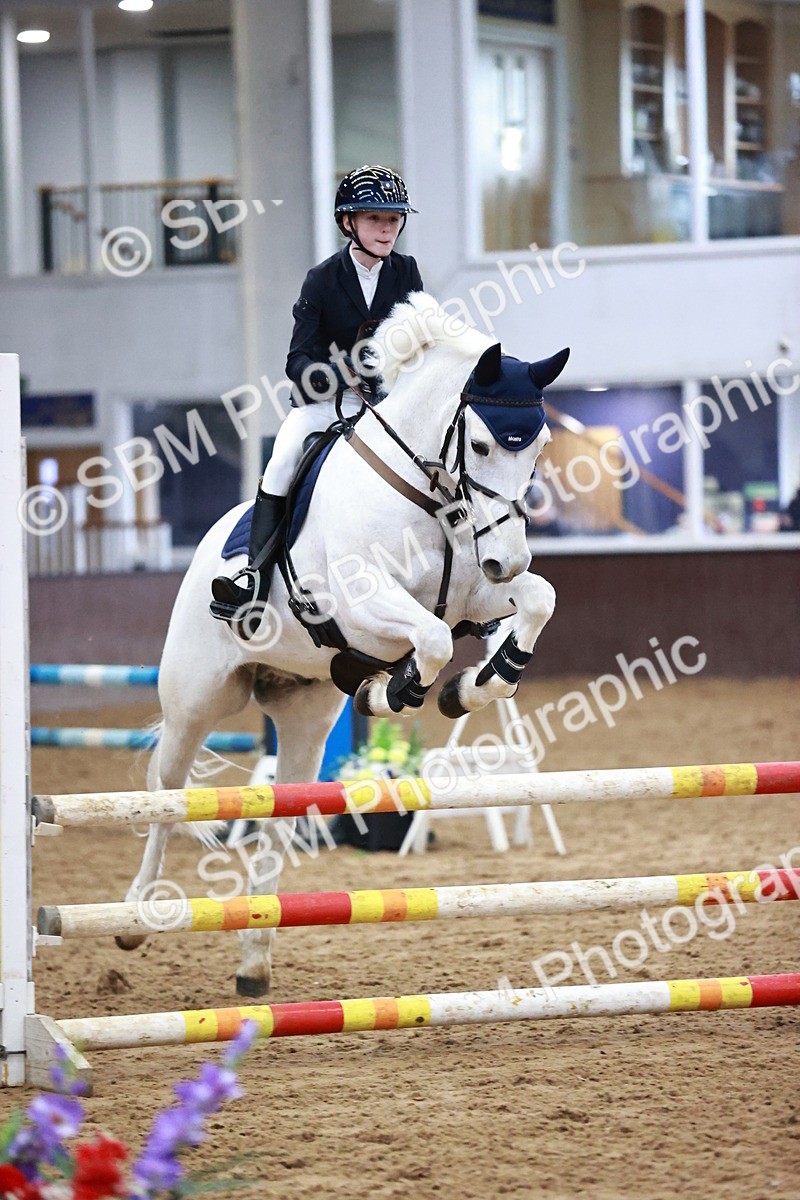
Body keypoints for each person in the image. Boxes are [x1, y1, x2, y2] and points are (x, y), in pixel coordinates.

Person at [211, 165, 424, 620]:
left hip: (388, 404)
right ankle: (254, 575)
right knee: (284, 457)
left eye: (393, 219)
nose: (387, 229)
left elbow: (423, 338)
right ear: (349, 223)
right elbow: (298, 360)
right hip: (329, 404)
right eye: (374, 219)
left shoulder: (406, 271)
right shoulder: (322, 280)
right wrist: (343, 371)